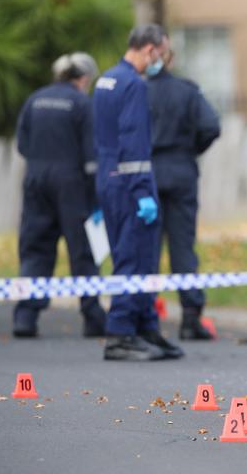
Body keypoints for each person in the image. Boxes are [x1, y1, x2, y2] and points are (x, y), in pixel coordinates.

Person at [93, 24, 183, 361]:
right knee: (136, 258)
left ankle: (145, 326)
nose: (162, 60)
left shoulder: (106, 80)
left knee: (128, 256)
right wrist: (144, 191)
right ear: (150, 50)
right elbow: (133, 143)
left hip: (110, 181)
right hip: (131, 187)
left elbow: (102, 139)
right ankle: (120, 333)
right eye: (163, 53)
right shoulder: (132, 84)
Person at [13, 52, 106, 338]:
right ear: (83, 78)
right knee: (83, 251)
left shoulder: (35, 99)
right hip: (71, 184)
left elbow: (22, 144)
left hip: (36, 180)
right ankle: (93, 317)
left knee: (35, 248)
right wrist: (95, 198)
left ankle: (26, 318)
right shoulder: (81, 103)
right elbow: (92, 157)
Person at [146, 49, 221, 340]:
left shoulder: (138, 91)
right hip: (180, 172)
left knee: (147, 249)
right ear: (171, 60)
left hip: (146, 174)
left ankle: (146, 317)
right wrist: (190, 150)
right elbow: (211, 126)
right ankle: (190, 319)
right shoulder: (186, 91)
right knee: (182, 248)